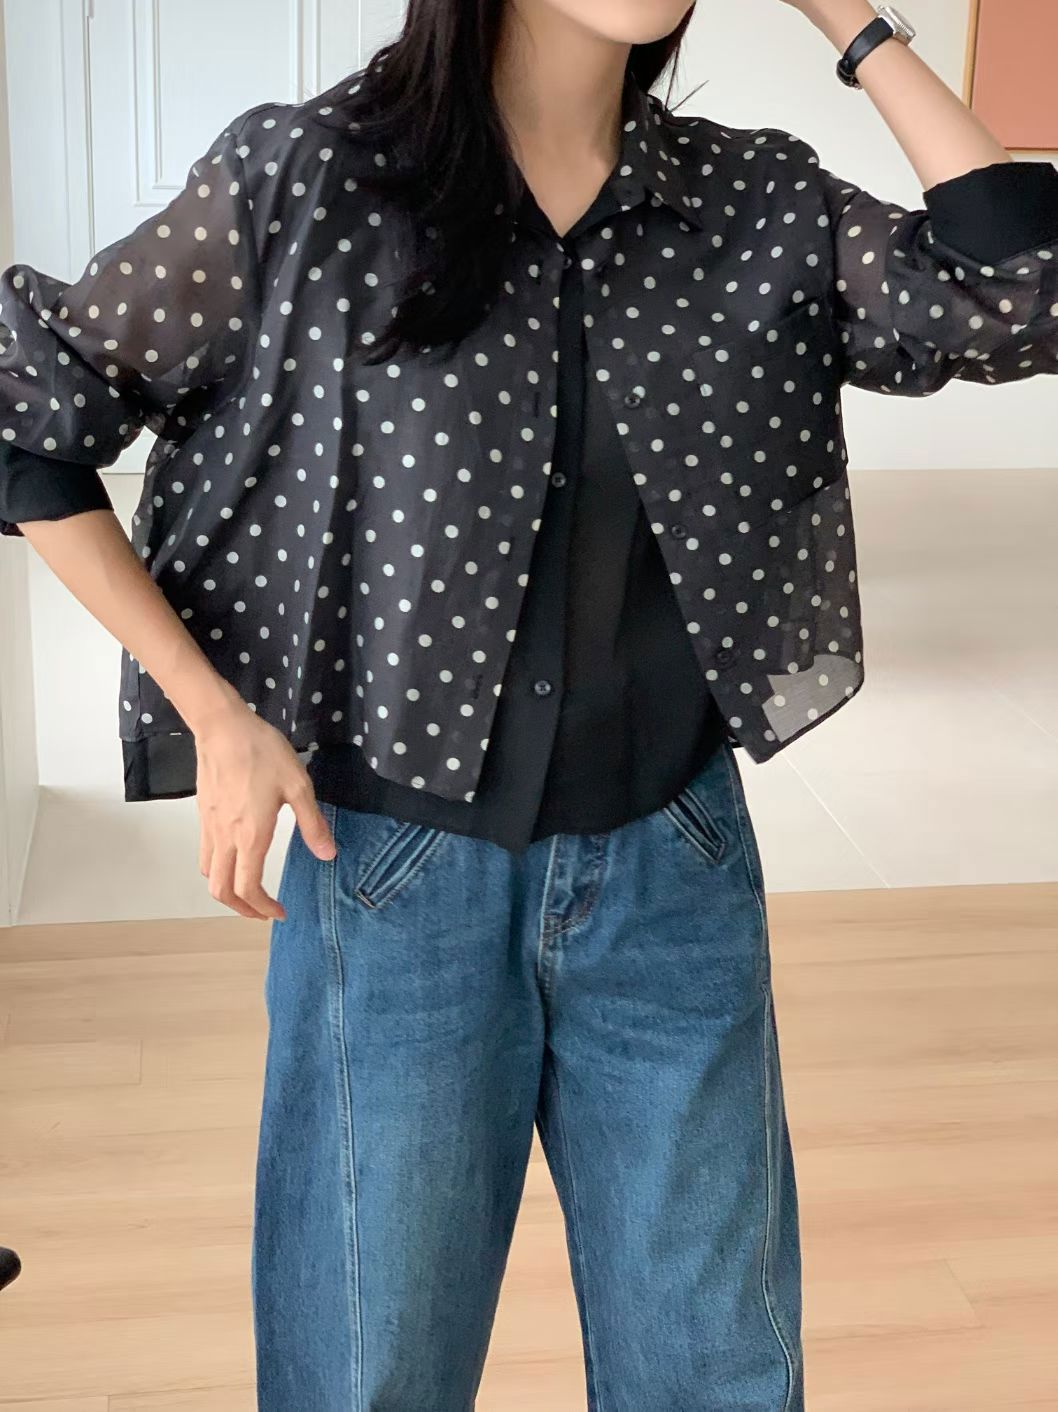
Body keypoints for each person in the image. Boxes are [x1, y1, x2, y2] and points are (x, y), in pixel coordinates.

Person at [2, 0, 1056, 1406]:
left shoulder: (750, 202)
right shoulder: (307, 182)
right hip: (393, 874)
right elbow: (29, 399)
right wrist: (214, 708)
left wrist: (850, 18)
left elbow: (1023, 291)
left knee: (718, 1375)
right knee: (368, 1374)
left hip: (672, 866)